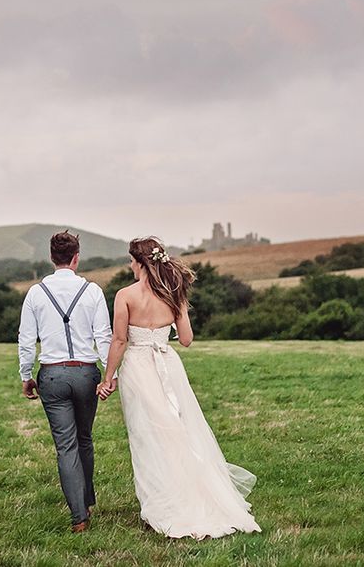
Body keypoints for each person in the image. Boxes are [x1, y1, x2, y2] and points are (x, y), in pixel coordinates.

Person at [97, 236, 261, 539]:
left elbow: (119, 340)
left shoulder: (125, 295)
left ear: (141, 262)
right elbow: (186, 339)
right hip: (168, 366)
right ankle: (185, 493)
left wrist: (108, 377)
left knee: (147, 436)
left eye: (132, 261)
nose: (130, 266)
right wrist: (179, 307)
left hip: (138, 368)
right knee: (178, 430)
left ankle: (159, 505)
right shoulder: (174, 295)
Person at [18, 230, 113, 533]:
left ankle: (79, 515)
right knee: (84, 439)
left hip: (52, 375)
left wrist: (25, 375)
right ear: (76, 257)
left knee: (66, 446)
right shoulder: (93, 291)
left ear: (51, 258)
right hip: (86, 373)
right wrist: (112, 376)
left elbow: (25, 340)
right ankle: (84, 502)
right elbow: (104, 337)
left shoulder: (35, 292)